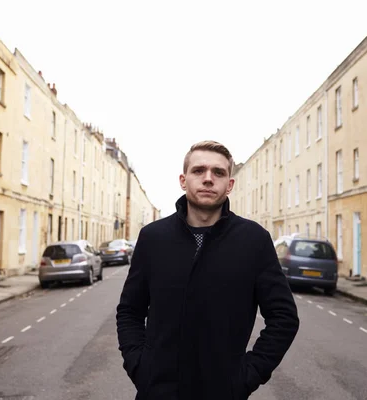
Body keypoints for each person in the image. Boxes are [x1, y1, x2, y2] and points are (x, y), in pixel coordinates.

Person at [116, 140, 299, 400]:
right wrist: (140, 367)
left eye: (219, 172)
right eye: (199, 171)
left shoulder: (254, 240)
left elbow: (284, 318)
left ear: (230, 184)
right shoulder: (153, 238)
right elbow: (130, 311)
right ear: (183, 180)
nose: (208, 179)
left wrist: (245, 378)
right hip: (157, 392)